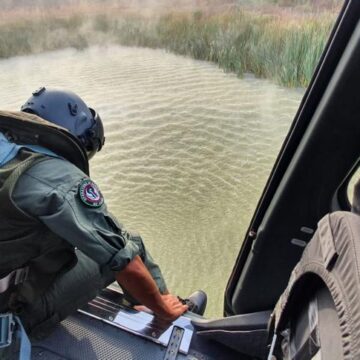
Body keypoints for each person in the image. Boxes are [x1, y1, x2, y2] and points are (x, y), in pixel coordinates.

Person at [0, 87, 206, 337]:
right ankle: (169, 316)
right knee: (130, 245)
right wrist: (163, 308)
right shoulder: (56, 178)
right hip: (12, 314)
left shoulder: (8, 155)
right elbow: (123, 260)